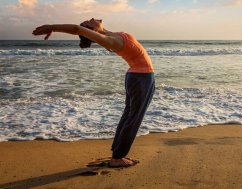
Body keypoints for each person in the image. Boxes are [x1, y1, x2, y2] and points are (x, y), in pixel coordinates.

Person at [32, 18, 155, 168]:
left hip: (139, 77)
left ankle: (118, 152)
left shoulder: (110, 35)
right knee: (133, 118)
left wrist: (96, 30)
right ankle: (117, 157)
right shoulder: (110, 40)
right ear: (92, 30)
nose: (94, 18)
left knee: (129, 116)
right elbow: (77, 29)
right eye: (90, 21)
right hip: (140, 78)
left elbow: (85, 30)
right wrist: (52, 27)